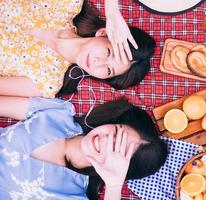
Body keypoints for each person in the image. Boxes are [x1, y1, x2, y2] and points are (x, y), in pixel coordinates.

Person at [0, 96, 168, 200]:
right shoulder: (59, 112)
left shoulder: (72, 194)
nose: (106, 140)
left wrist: (114, 185)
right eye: (116, 131)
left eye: (117, 149)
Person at [0, 0, 156, 98]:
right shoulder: (66, 4)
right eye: (109, 52)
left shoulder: (47, 82)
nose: (99, 63)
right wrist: (112, 12)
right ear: (103, 32)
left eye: (109, 71)